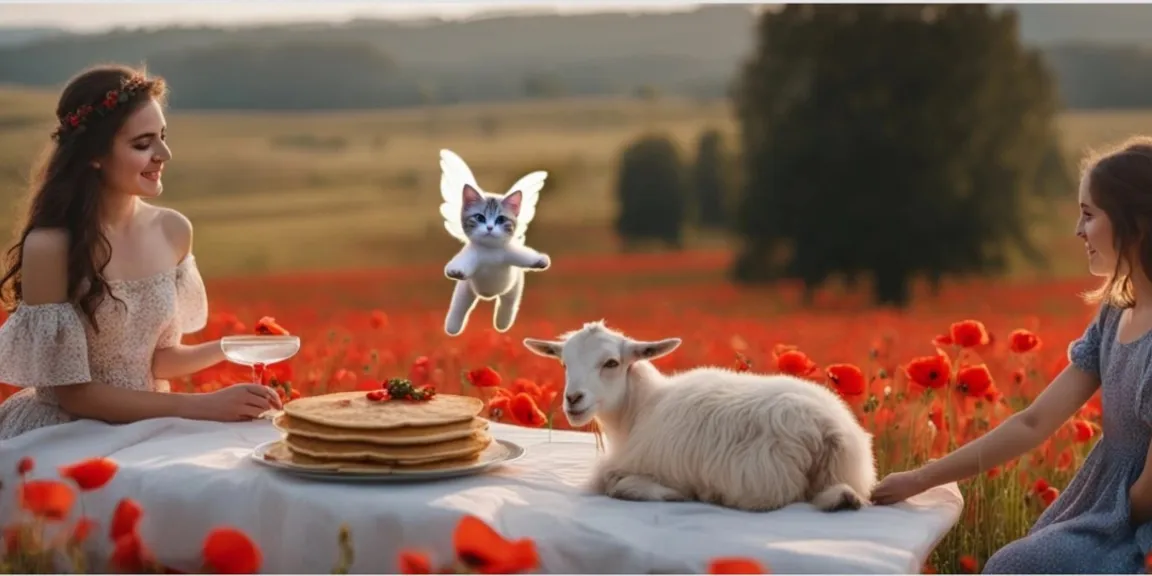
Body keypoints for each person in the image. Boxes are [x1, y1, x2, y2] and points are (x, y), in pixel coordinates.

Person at [870, 136, 1152, 573]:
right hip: (1103, 509)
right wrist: (920, 478)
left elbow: (1147, 495)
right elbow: (1033, 422)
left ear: (1134, 223)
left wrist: (1106, 520)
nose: (1078, 231)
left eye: (1088, 215)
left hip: (1133, 524)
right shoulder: (1115, 315)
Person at [0, 64, 281, 442]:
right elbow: (74, 394)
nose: (163, 153)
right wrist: (203, 406)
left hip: (150, 423)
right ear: (94, 155)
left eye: (162, 136)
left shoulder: (174, 230)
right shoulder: (51, 248)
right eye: (142, 143)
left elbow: (158, 359)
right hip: (68, 433)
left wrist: (232, 347)